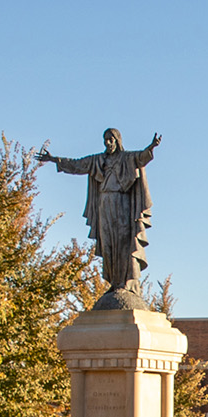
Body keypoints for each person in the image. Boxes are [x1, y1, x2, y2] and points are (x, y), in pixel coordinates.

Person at [37, 128, 160, 309]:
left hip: (122, 202)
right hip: (104, 203)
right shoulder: (98, 161)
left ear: (117, 140)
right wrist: (54, 159)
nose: (108, 143)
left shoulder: (126, 158)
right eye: (105, 140)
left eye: (111, 139)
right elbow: (77, 165)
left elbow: (141, 157)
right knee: (108, 242)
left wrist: (151, 147)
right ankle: (114, 282)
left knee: (123, 241)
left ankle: (125, 283)